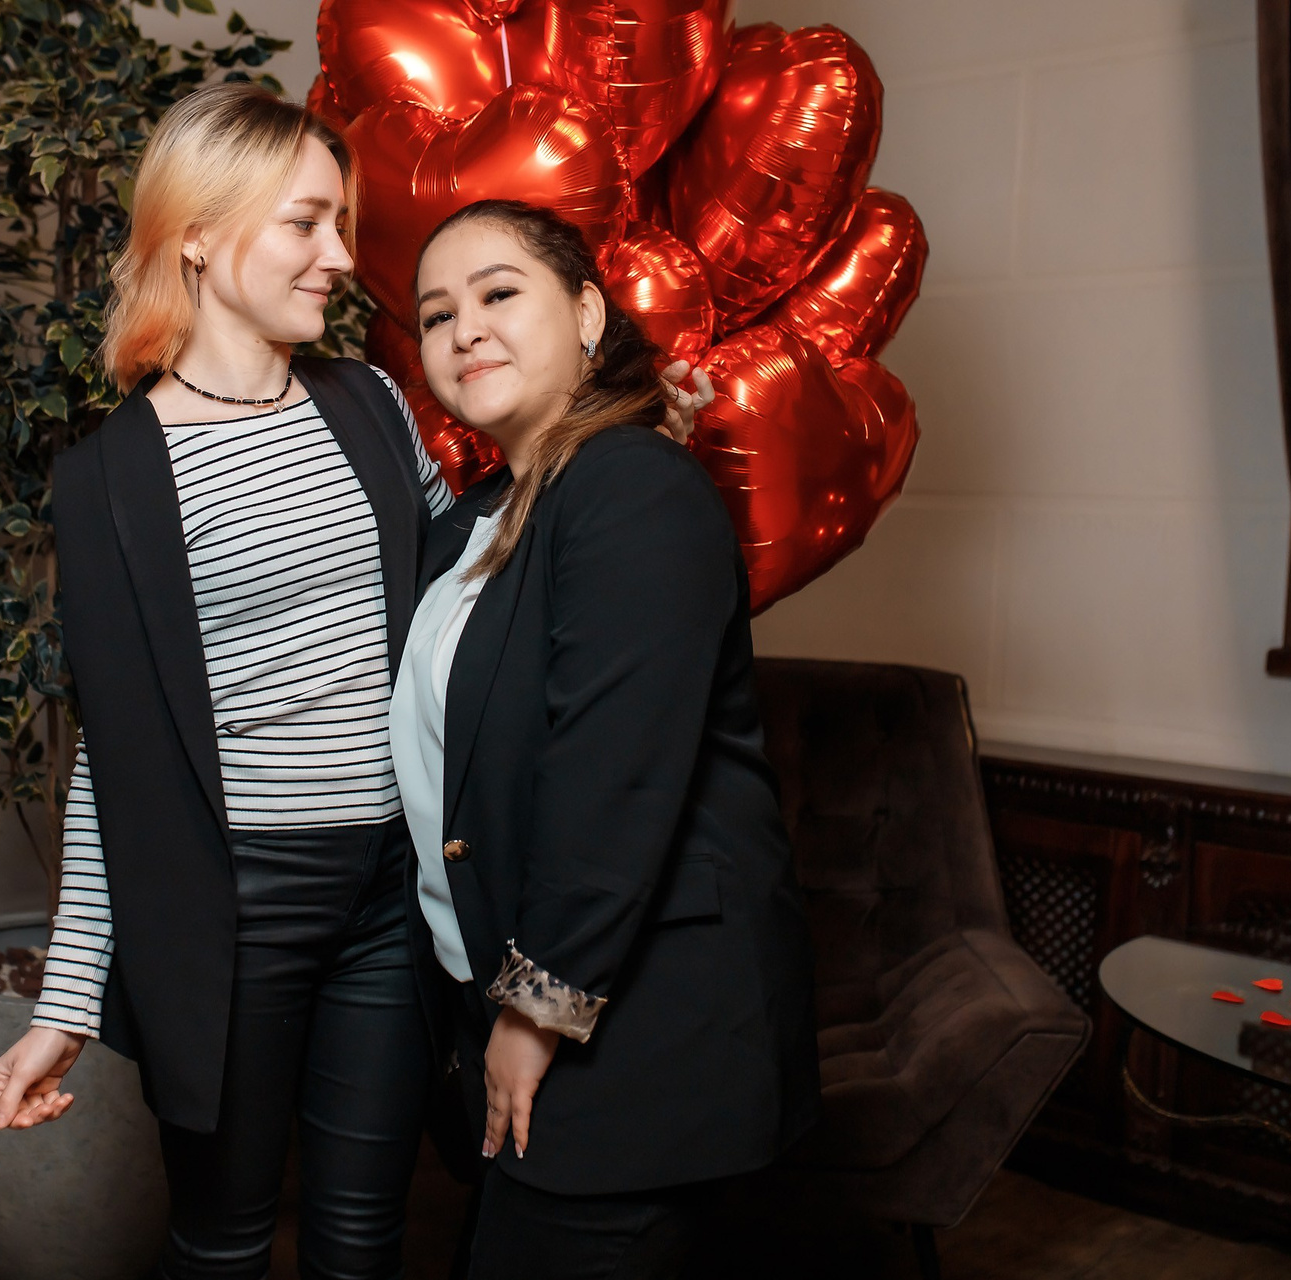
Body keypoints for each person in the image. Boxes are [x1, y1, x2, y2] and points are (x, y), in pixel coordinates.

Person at [0, 82, 451, 1280]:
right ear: (196, 232)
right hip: (232, 908)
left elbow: (470, 583)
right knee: (225, 1242)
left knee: (366, 1240)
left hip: (393, 888)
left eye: (340, 223)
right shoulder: (109, 481)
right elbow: (119, 763)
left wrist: (603, 449)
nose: (339, 256)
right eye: (306, 223)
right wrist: (66, 1002)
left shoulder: (369, 403)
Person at [391, 199, 821, 1279]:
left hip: (634, 1029)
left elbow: (613, 779)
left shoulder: (632, 485)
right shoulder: (471, 521)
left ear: (587, 313)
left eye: (498, 293)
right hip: (504, 1009)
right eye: (436, 315)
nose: (464, 329)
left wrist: (534, 1011)